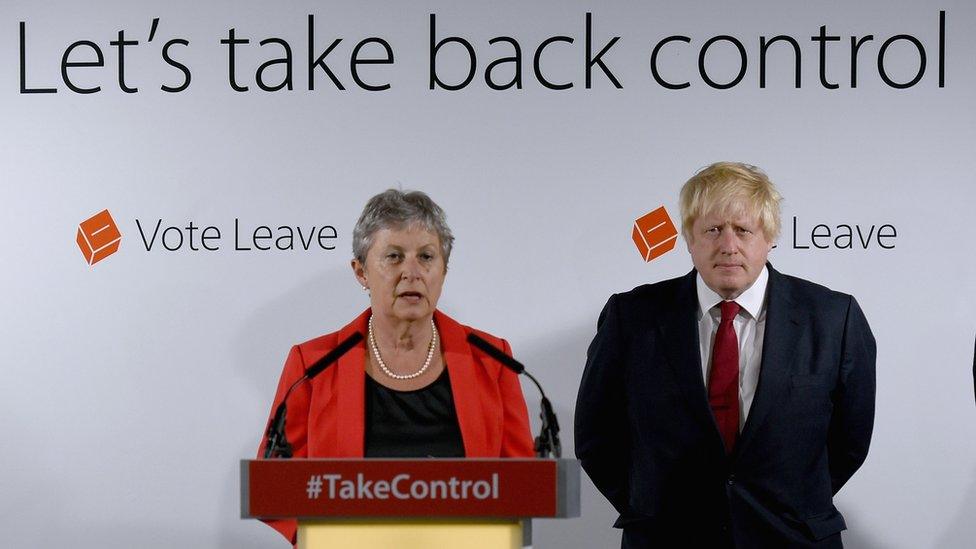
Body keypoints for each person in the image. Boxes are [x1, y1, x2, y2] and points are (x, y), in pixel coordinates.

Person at [575, 162, 876, 548]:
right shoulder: (632, 317)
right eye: (713, 229)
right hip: (668, 537)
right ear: (689, 237)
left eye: (743, 230)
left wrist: (794, 502)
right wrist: (652, 509)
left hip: (792, 537)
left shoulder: (835, 318)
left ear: (769, 237)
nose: (728, 246)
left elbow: (851, 440)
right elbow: (596, 436)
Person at [258, 189, 534, 544]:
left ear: (444, 270)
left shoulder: (491, 359)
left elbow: (522, 484)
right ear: (361, 272)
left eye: (426, 257)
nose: (412, 272)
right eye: (393, 256)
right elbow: (272, 486)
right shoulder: (312, 364)